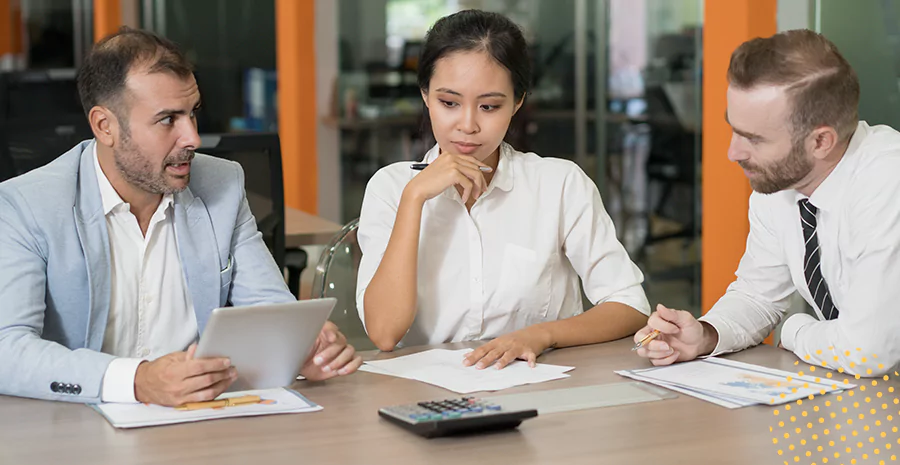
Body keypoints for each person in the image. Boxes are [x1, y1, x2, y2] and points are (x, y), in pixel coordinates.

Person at [0, 28, 361, 406]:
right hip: (77, 430)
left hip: (198, 421)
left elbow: (271, 309)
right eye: (167, 120)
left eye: (192, 113)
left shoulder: (222, 184)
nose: (193, 138)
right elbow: (8, 349)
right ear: (105, 126)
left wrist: (307, 348)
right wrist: (137, 381)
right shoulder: (27, 206)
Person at [357, 10, 650, 369]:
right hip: (429, 397)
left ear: (518, 102)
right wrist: (414, 198)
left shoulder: (559, 185)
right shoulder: (391, 188)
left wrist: (542, 334)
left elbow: (630, 306)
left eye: (489, 106)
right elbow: (384, 333)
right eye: (449, 103)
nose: (467, 125)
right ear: (425, 95)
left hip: (541, 392)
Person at [634, 29, 900, 377]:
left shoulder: (887, 180)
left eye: (754, 139)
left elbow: (867, 352)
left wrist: (793, 330)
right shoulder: (780, 184)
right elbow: (758, 295)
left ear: (821, 141)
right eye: (734, 129)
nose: (733, 153)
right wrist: (704, 336)